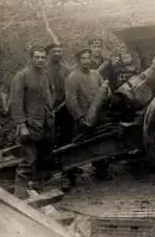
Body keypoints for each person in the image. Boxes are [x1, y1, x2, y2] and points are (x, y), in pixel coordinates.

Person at [9, 46, 55, 197]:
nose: (40, 60)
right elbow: (16, 102)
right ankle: (20, 193)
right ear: (31, 57)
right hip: (30, 124)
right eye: (37, 57)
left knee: (42, 157)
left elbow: (49, 96)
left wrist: (50, 114)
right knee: (28, 159)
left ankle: (36, 187)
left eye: (43, 57)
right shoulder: (21, 76)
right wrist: (22, 125)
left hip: (45, 123)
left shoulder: (45, 75)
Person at [65, 49, 112, 181]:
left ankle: (102, 170)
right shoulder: (72, 78)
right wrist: (79, 117)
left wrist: (107, 93)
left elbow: (106, 88)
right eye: (84, 58)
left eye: (88, 58)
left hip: (99, 115)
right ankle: (70, 174)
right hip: (83, 118)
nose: (87, 61)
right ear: (78, 60)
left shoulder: (96, 74)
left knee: (102, 141)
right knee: (77, 145)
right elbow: (71, 100)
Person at [45, 43, 73, 147]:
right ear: (49, 54)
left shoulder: (66, 70)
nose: (57, 54)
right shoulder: (43, 69)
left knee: (67, 132)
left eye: (59, 51)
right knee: (50, 135)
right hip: (49, 108)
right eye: (54, 52)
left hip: (65, 106)